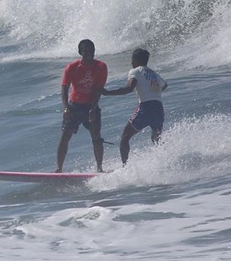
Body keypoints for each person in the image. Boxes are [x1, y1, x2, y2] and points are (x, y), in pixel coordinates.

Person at [102, 48, 168, 165]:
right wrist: (153, 92)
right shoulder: (154, 73)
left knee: (125, 137)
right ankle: (164, 162)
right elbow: (165, 85)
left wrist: (107, 93)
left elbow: (129, 88)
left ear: (135, 60)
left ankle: (125, 167)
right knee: (156, 138)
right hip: (159, 109)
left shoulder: (135, 71)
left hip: (146, 108)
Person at [56, 39, 108, 173]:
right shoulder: (71, 68)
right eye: (86, 52)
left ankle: (99, 168)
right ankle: (59, 169)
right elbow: (64, 89)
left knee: (96, 135)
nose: (90, 54)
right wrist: (66, 107)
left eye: (92, 51)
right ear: (80, 52)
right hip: (74, 106)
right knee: (65, 136)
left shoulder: (101, 67)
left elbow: (98, 90)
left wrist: (93, 108)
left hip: (91, 105)